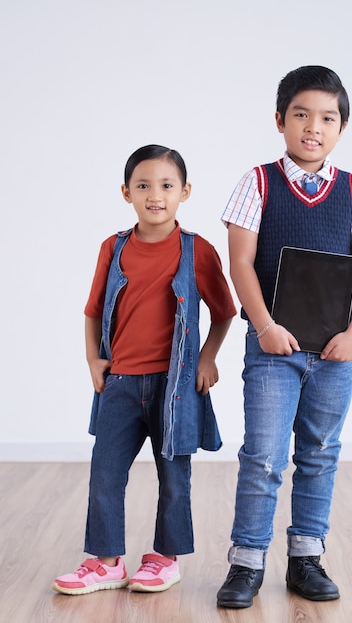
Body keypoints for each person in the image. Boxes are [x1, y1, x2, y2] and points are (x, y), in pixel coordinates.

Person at [217, 66, 352, 608]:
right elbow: (239, 262)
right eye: (302, 115)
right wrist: (264, 326)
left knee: (319, 452)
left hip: (335, 352)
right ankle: (246, 563)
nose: (313, 127)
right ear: (280, 120)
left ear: (341, 128)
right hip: (274, 350)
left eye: (327, 118)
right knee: (264, 454)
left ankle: (305, 560)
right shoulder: (259, 181)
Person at [52, 144, 236, 596]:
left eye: (167, 185)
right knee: (105, 472)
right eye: (144, 185)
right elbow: (94, 309)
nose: (156, 194)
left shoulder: (198, 251)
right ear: (126, 192)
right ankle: (107, 561)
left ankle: (164, 558)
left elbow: (225, 311)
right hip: (120, 383)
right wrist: (93, 358)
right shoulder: (113, 248)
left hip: (175, 387)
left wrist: (208, 357)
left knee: (174, 475)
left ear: (185, 192)